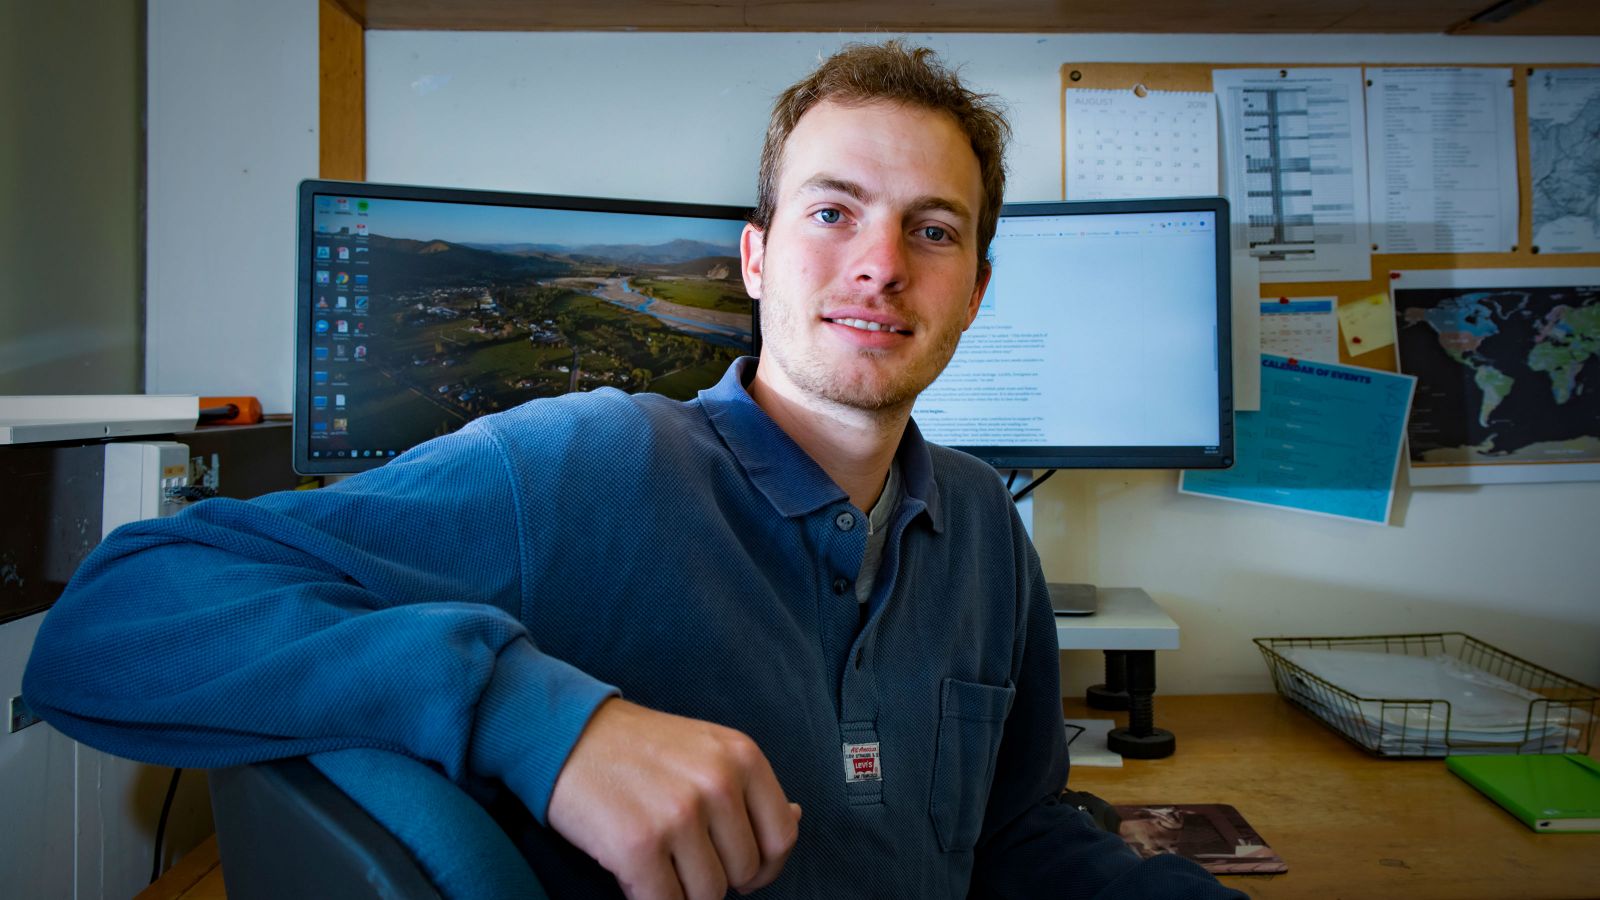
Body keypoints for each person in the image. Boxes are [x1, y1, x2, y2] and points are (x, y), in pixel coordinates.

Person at [25, 41, 1242, 899]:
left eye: (932, 229)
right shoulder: (584, 464)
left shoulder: (979, 524)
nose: (880, 265)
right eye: (832, 213)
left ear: (975, 290)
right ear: (755, 260)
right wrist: (540, 718)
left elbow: (1009, 839)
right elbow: (113, 618)